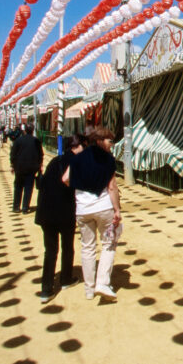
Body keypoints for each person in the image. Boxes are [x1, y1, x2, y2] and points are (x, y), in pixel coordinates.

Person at [64, 126, 121, 301]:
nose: (111, 144)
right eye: (109, 141)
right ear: (99, 141)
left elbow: (65, 179)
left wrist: (81, 190)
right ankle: (102, 283)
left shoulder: (77, 158)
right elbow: (111, 187)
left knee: (87, 247)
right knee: (109, 243)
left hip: (82, 209)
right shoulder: (108, 160)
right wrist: (117, 210)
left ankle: (89, 289)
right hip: (103, 207)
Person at [35, 134, 82, 302]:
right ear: (78, 146)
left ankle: (46, 290)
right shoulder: (76, 162)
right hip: (64, 210)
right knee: (67, 246)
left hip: (46, 211)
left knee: (50, 251)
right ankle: (66, 278)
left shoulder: (55, 161)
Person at [9, 123, 43, 213]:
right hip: (31, 168)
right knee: (28, 188)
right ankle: (25, 207)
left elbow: (13, 154)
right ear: (32, 130)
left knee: (18, 187)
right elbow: (40, 155)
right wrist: (39, 166)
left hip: (19, 168)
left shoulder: (18, 141)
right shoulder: (36, 141)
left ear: (24, 130)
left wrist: (12, 165)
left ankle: (16, 207)